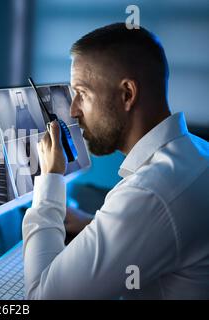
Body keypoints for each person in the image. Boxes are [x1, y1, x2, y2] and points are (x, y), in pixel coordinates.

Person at [22, 23, 209, 299]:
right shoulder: (197, 151)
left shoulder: (150, 193)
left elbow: (40, 297)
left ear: (127, 95)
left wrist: (50, 179)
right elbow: (158, 231)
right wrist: (94, 226)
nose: (73, 111)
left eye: (82, 93)